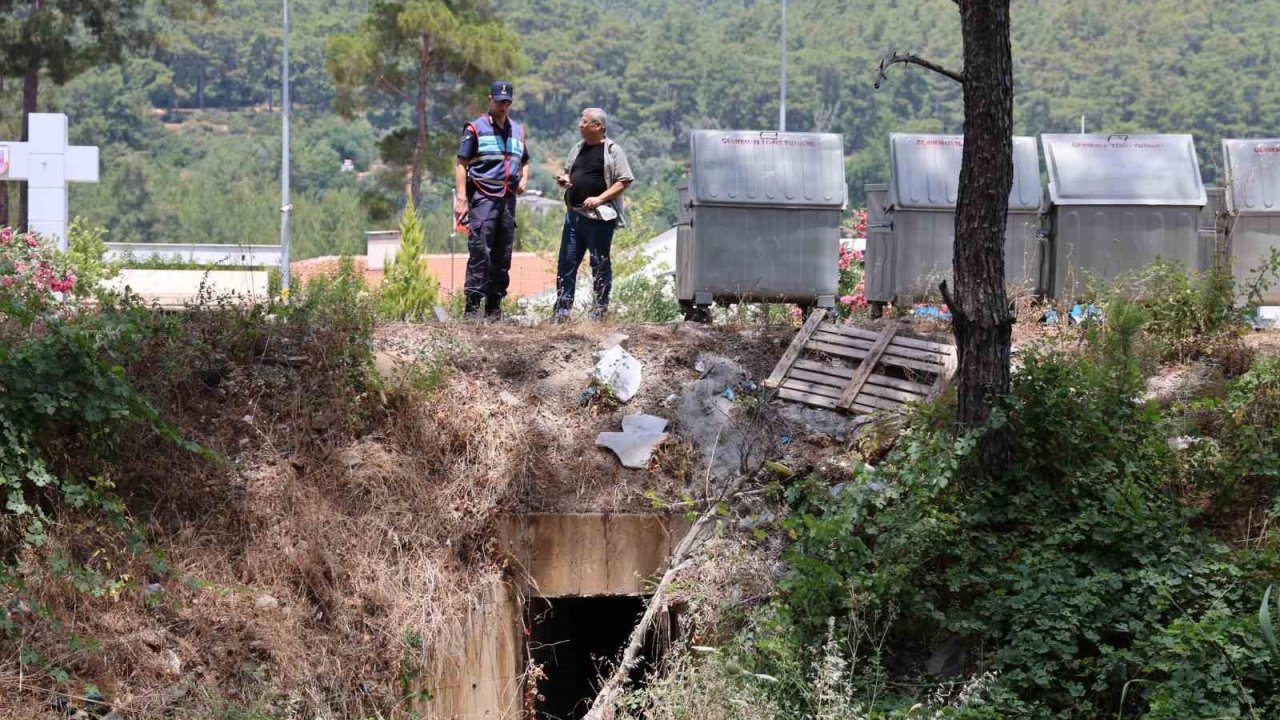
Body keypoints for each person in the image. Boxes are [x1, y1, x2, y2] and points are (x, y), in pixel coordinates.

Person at [455, 80, 530, 321]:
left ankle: (494, 308)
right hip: (482, 196)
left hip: (507, 199)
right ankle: (472, 307)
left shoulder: (518, 130)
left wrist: (524, 181)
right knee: (481, 251)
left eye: (508, 102)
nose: (504, 105)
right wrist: (461, 199)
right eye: (500, 101)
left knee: (502, 253)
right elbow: (461, 164)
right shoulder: (475, 128)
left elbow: (526, 161)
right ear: (490, 99)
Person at [553, 107, 634, 321]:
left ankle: (598, 312)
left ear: (597, 126)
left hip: (599, 218)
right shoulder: (577, 148)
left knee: (599, 263)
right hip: (574, 215)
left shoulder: (613, 150)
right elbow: (567, 171)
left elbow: (624, 180)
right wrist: (564, 179)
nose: (580, 124)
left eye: (584, 121)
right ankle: (561, 312)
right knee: (567, 263)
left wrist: (600, 198)